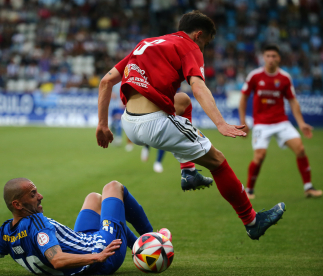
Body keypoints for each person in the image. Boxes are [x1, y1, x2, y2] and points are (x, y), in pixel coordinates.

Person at [95, 10, 285, 240]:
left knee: (182, 101)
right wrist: (221, 123)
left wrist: (102, 125)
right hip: (154, 124)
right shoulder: (190, 47)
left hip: (129, 121)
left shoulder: (147, 43)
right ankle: (252, 221)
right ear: (198, 35)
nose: (204, 48)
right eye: (206, 42)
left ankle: (189, 172)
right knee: (218, 162)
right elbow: (198, 86)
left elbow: (106, 81)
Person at [0, 178, 168, 275]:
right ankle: (151, 239)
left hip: (82, 243)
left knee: (94, 198)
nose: (40, 197)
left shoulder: (6, 233)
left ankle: (139, 244)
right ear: (17, 203)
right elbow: (58, 259)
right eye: (33, 194)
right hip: (102, 253)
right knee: (113, 187)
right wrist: (99, 255)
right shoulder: (38, 223)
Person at [239, 45, 322, 199]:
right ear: (263, 57)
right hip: (262, 123)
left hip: (281, 122)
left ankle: (308, 188)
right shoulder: (255, 76)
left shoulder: (284, 77)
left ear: (279, 58)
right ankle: (249, 190)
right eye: (268, 56)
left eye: (274, 56)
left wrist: (301, 123)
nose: (271, 59)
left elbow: (293, 100)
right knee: (260, 156)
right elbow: (243, 98)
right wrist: (243, 122)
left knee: (300, 149)